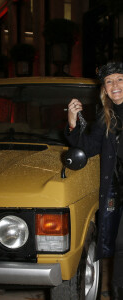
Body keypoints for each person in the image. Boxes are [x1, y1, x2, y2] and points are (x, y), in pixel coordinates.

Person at [65, 61, 123, 299]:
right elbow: (86, 148)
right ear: (104, 89)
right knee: (119, 248)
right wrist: (72, 120)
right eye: (109, 81)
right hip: (118, 194)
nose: (114, 85)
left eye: (120, 79)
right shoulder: (105, 117)